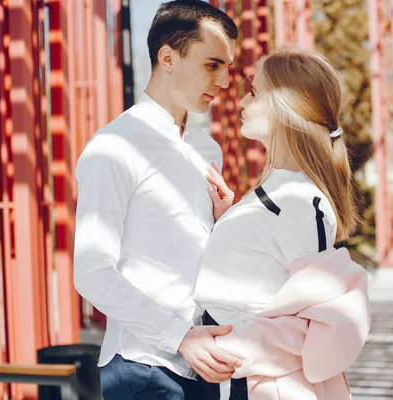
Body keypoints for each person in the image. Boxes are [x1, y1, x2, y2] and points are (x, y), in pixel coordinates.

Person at [73, 1, 244, 399]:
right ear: (168, 57)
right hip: (144, 368)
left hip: (204, 361)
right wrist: (179, 336)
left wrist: (224, 224)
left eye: (228, 68)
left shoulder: (207, 150)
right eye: (213, 64)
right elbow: (92, 271)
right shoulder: (114, 146)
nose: (224, 81)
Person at [194, 48, 371, 399]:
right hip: (238, 377)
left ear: (287, 105)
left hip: (257, 384)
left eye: (255, 92)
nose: (242, 101)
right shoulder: (282, 193)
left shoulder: (302, 201)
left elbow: (321, 324)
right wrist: (232, 220)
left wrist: (228, 348)